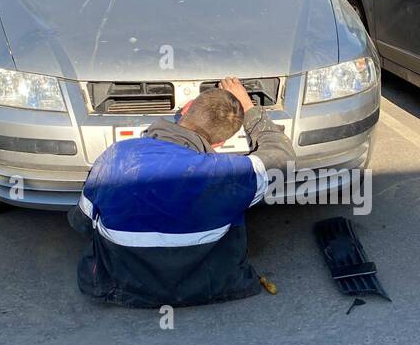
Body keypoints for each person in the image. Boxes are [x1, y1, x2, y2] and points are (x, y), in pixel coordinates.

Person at [74, 77, 295, 307]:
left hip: (116, 286)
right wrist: (249, 108)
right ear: (220, 143)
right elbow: (281, 157)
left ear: (186, 109)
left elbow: (81, 221)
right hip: (211, 288)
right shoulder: (228, 174)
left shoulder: (118, 154)